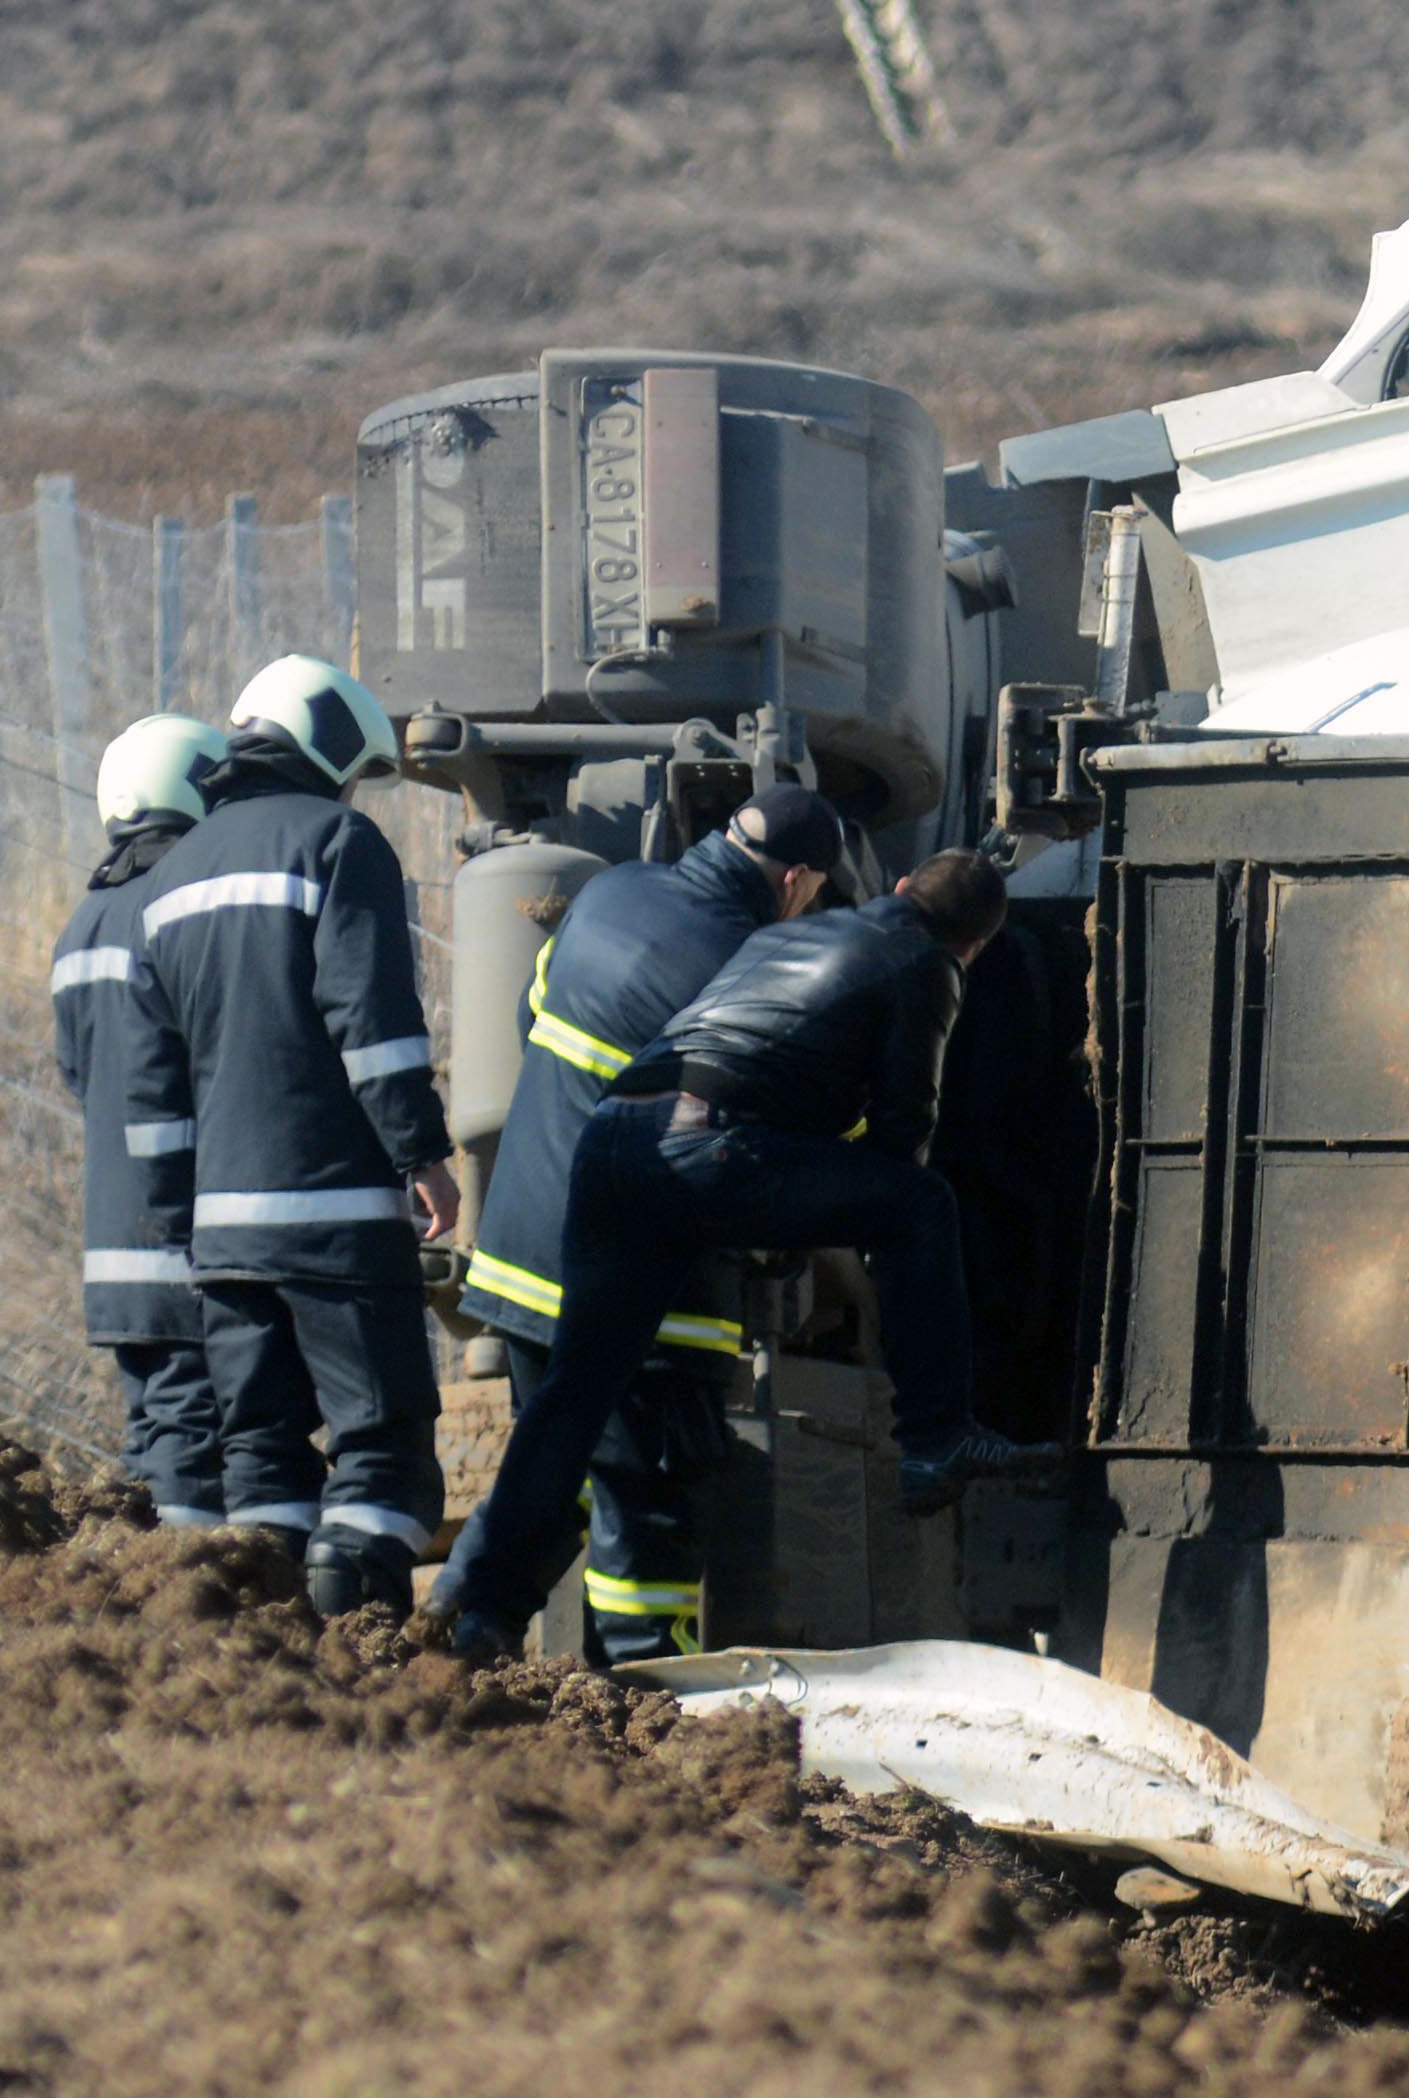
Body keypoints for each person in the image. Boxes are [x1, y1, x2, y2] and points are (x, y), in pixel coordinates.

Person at [433, 846, 1047, 1662]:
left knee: (573, 1398)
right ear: (974, 946)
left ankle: (474, 1609)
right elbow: (904, 1141)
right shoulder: (925, 966)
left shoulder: (795, 935)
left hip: (612, 1146)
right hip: (702, 1153)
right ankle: (936, 1440)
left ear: (900, 886)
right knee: (920, 1206)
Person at [459, 784, 866, 1659]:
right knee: (651, 1502)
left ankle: (458, 1626)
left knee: (552, 1470)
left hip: (522, 1256)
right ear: (795, 879)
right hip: (642, 1290)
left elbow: (534, 1009)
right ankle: (651, 1695)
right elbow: (821, 1128)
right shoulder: (755, 964)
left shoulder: (609, 891)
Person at [129, 656, 456, 1612]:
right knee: (382, 1450)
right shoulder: (337, 842)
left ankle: (272, 1677)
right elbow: (374, 1022)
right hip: (338, 1219)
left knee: (263, 1466)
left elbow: (154, 1096)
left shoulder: (170, 878)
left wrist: (180, 1227)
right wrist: (420, 1154)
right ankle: (366, 1660)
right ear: (327, 750)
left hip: (222, 1242)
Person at [52, 715, 230, 1528]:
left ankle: (145, 1598)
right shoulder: (184, 906)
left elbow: (79, 1077)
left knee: (155, 1426)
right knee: (194, 1436)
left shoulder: (82, 922)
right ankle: (187, 1613)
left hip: (113, 1242)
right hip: (183, 1227)